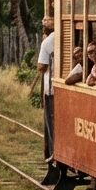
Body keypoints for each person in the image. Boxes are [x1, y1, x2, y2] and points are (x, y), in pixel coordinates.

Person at [36, 17, 56, 164]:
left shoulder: (48, 42)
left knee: (51, 124)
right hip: (60, 88)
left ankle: (53, 152)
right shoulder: (64, 36)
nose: (43, 23)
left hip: (51, 90)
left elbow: (41, 67)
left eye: (46, 21)